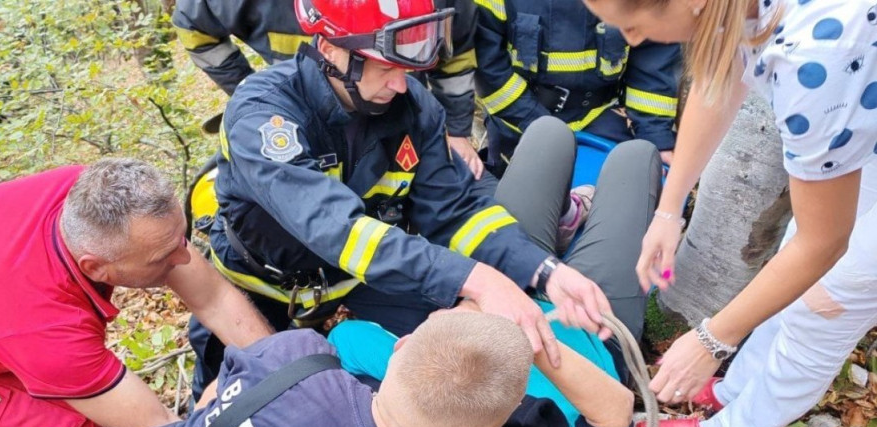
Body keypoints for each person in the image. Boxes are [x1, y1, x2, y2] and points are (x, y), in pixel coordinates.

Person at [191, 0, 663, 401]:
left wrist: (543, 271)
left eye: (409, 70)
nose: (402, 85)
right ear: (332, 49)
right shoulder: (264, 116)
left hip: (357, 278)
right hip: (259, 285)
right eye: (387, 69)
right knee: (236, 401)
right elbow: (338, 229)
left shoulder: (413, 106)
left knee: (462, 363)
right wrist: (477, 278)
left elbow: (454, 212)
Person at [584, 0, 877, 427]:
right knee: (796, 262)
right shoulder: (728, 8)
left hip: (847, 80)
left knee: (829, 299)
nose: (631, 40)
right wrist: (667, 212)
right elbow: (719, 78)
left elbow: (824, 245)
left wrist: (712, 339)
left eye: (633, 25)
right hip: (860, 105)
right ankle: (738, 388)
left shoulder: (816, 57)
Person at [0, 159, 272, 427]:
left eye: (180, 237)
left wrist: (277, 370)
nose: (185, 256)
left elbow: (215, 297)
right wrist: (219, 414)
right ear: (95, 267)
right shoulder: (47, 329)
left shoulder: (89, 197)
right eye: (164, 255)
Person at [65, 309, 635, 427]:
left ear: (400, 349)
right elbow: (614, 413)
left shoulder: (293, 360)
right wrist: (532, 345)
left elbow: (215, 395)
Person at [171, 0, 487, 173]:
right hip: (306, 124)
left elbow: (455, 54)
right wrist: (252, 90)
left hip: (400, 114)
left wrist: (456, 131)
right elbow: (192, 23)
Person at [472, 0, 682, 178]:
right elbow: (488, 68)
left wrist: (655, 137)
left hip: (602, 119)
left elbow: (653, 60)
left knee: (616, 201)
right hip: (519, 123)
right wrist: (537, 125)